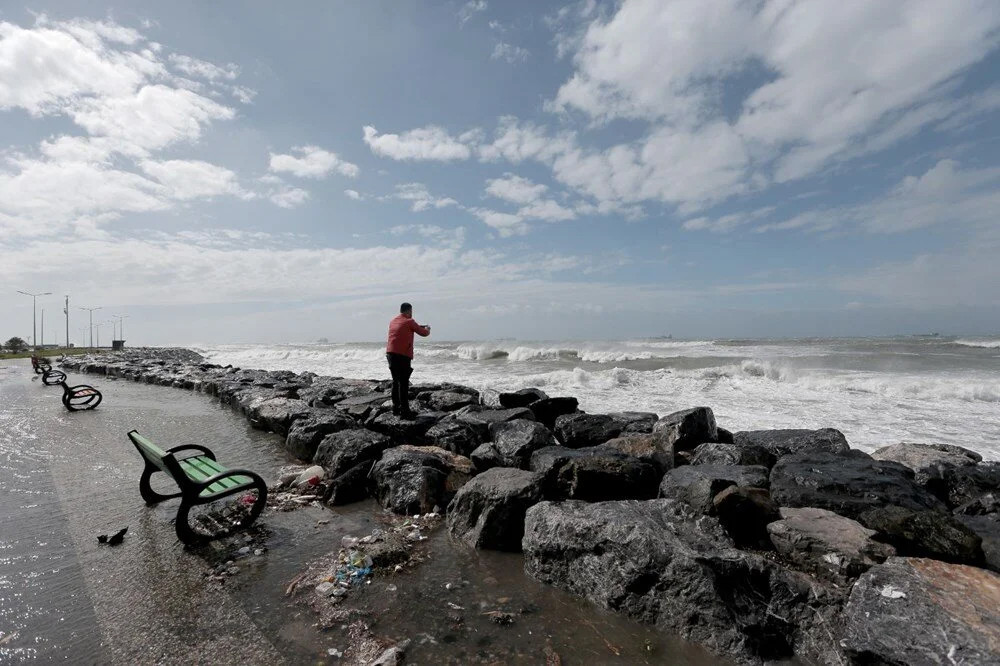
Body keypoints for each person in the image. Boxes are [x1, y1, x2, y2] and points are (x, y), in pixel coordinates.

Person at [386, 302, 430, 419]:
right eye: (411, 311)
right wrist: (428, 328)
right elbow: (424, 333)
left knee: (396, 381)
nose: (412, 313)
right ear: (408, 311)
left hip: (390, 354)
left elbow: (406, 328)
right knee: (404, 383)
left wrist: (417, 326)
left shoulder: (393, 321)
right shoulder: (410, 321)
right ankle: (405, 412)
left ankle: (396, 409)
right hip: (402, 356)